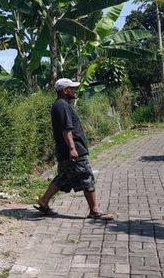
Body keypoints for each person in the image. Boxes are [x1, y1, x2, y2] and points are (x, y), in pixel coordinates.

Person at [34, 78, 114, 220]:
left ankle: (44, 201)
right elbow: (66, 129)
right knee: (86, 176)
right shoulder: (62, 106)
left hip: (66, 152)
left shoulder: (60, 105)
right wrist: (72, 148)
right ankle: (94, 211)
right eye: (72, 88)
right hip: (73, 151)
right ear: (65, 90)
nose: (74, 90)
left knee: (63, 178)